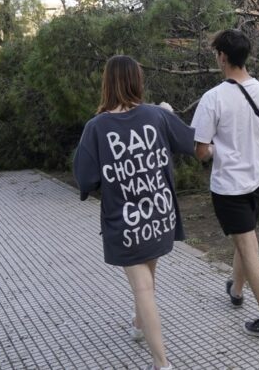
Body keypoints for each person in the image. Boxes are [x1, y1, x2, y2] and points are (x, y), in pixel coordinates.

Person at [73, 55, 195, 370]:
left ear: (107, 84)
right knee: (148, 279)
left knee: (142, 287)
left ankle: (162, 364)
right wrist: (167, 115)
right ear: (136, 81)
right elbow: (190, 141)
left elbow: (85, 179)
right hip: (160, 215)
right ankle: (140, 325)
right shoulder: (157, 115)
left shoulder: (96, 127)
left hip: (126, 222)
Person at [191, 29, 259, 338]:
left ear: (223, 57)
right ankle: (236, 290)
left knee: (248, 248)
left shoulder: (213, 98)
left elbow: (200, 152)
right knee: (244, 237)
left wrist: (215, 149)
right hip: (257, 178)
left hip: (229, 187)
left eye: (216, 54)